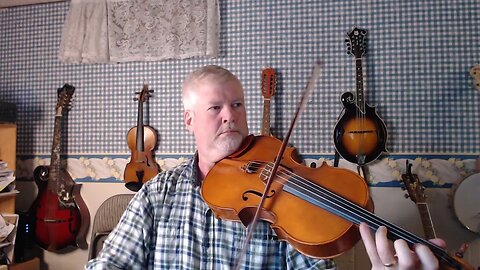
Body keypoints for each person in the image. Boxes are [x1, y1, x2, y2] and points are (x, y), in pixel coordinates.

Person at [85, 65, 444, 269]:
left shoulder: (282, 190)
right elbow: (111, 263)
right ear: (189, 120)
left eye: (238, 104)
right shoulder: (156, 193)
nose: (231, 116)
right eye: (216, 108)